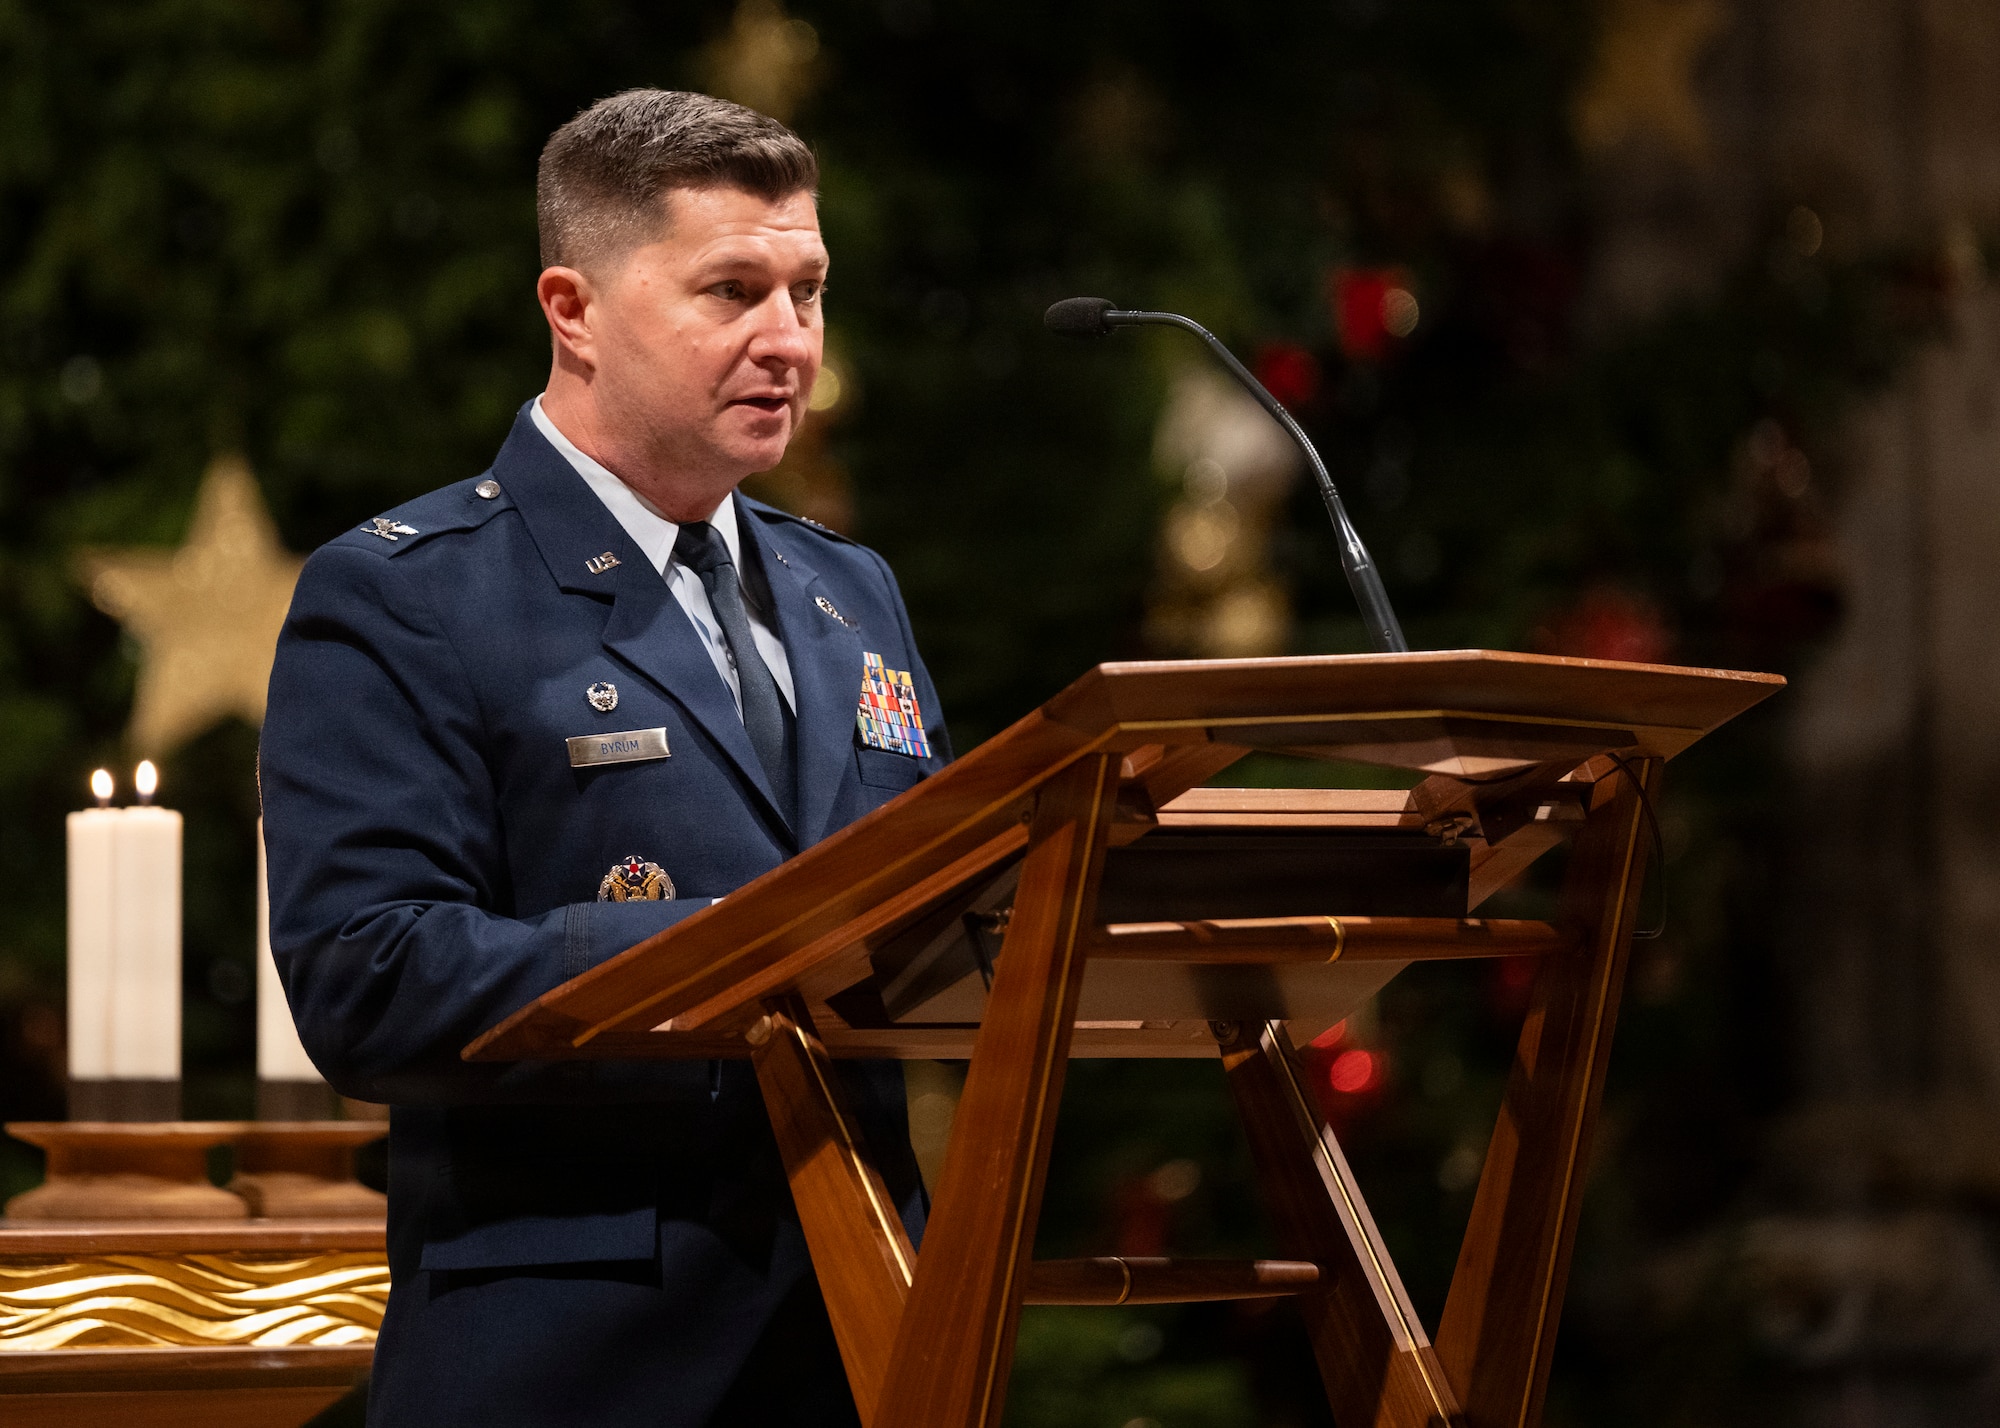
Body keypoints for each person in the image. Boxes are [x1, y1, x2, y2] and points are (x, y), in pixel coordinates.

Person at [260, 90, 949, 1427]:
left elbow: (934, 916)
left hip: (870, 1340)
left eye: (807, 292)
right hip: (578, 1362)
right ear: (572, 310)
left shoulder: (848, 591)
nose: (789, 341)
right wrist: (734, 953)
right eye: (733, 290)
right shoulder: (409, 595)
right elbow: (366, 978)